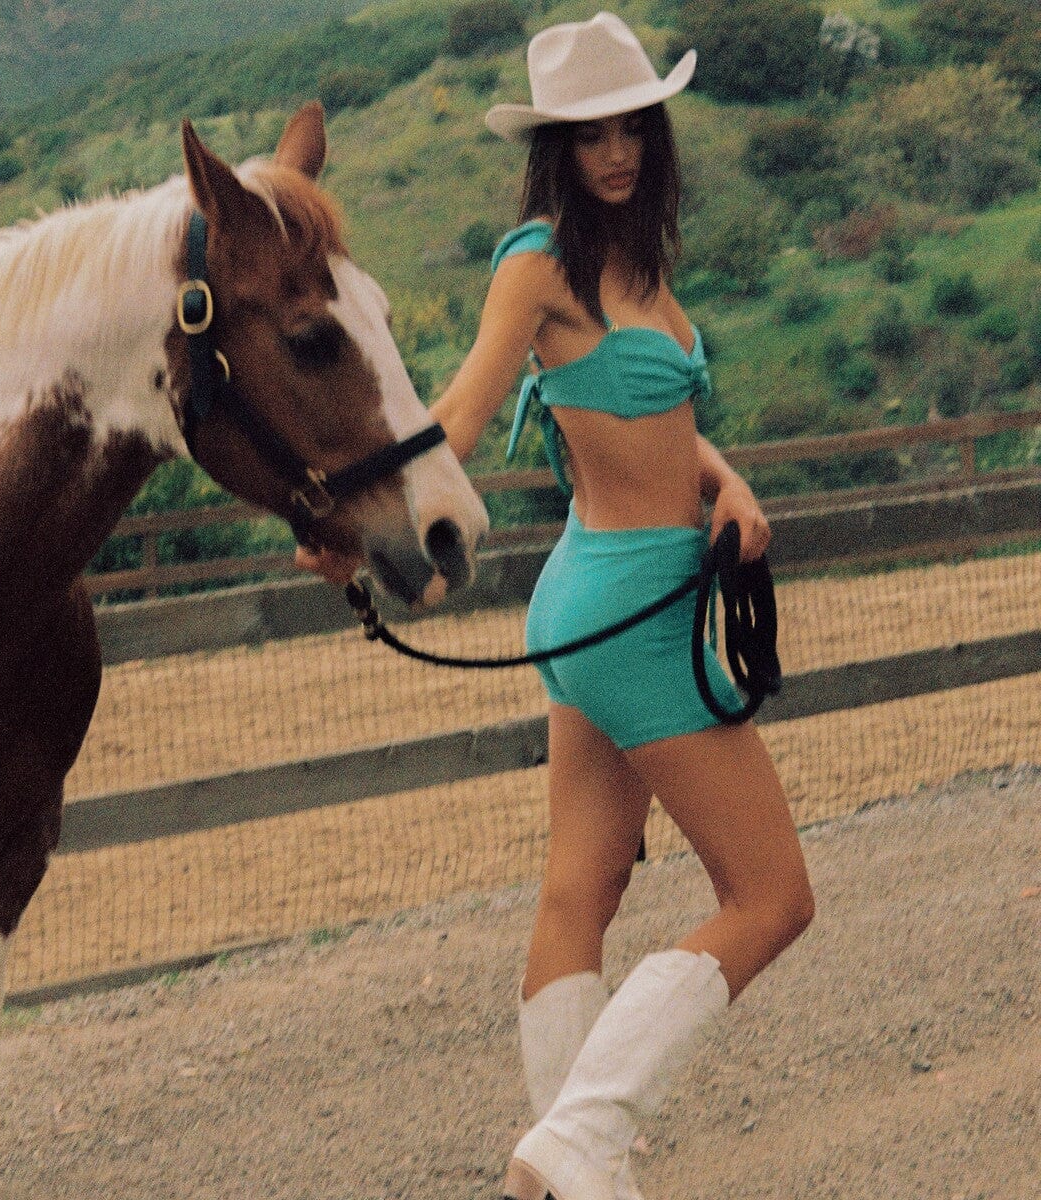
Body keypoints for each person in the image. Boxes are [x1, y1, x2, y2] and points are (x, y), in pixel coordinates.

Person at [299, 12, 815, 1200]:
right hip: (626, 617)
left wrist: (723, 478)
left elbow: (658, 418)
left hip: (609, 600)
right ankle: (578, 1142)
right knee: (774, 895)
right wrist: (347, 525)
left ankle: (573, 1168)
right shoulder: (537, 264)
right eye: (591, 135)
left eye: (633, 124)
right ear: (556, 150)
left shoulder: (640, 265)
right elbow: (462, 419)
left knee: (583, 884)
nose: (619, 150)